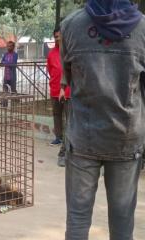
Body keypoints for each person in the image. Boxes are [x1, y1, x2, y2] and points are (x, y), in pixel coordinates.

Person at [60, 1, 145, 239]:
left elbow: (70, 78)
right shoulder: (142, 28)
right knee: (122, 218)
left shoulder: (70, 25)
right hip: (126, 137)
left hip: (83, 137)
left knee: (77, 218)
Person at [46, 27, 71, 167]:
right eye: (55, 37)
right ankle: (58, 137)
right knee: (57, 115)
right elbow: (50, 69)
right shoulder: (51, 53)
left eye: (59, 36)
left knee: (69, 118)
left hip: (68, 92)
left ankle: (67, 145)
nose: (57, 39)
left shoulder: (69, 53)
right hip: (55, 89)